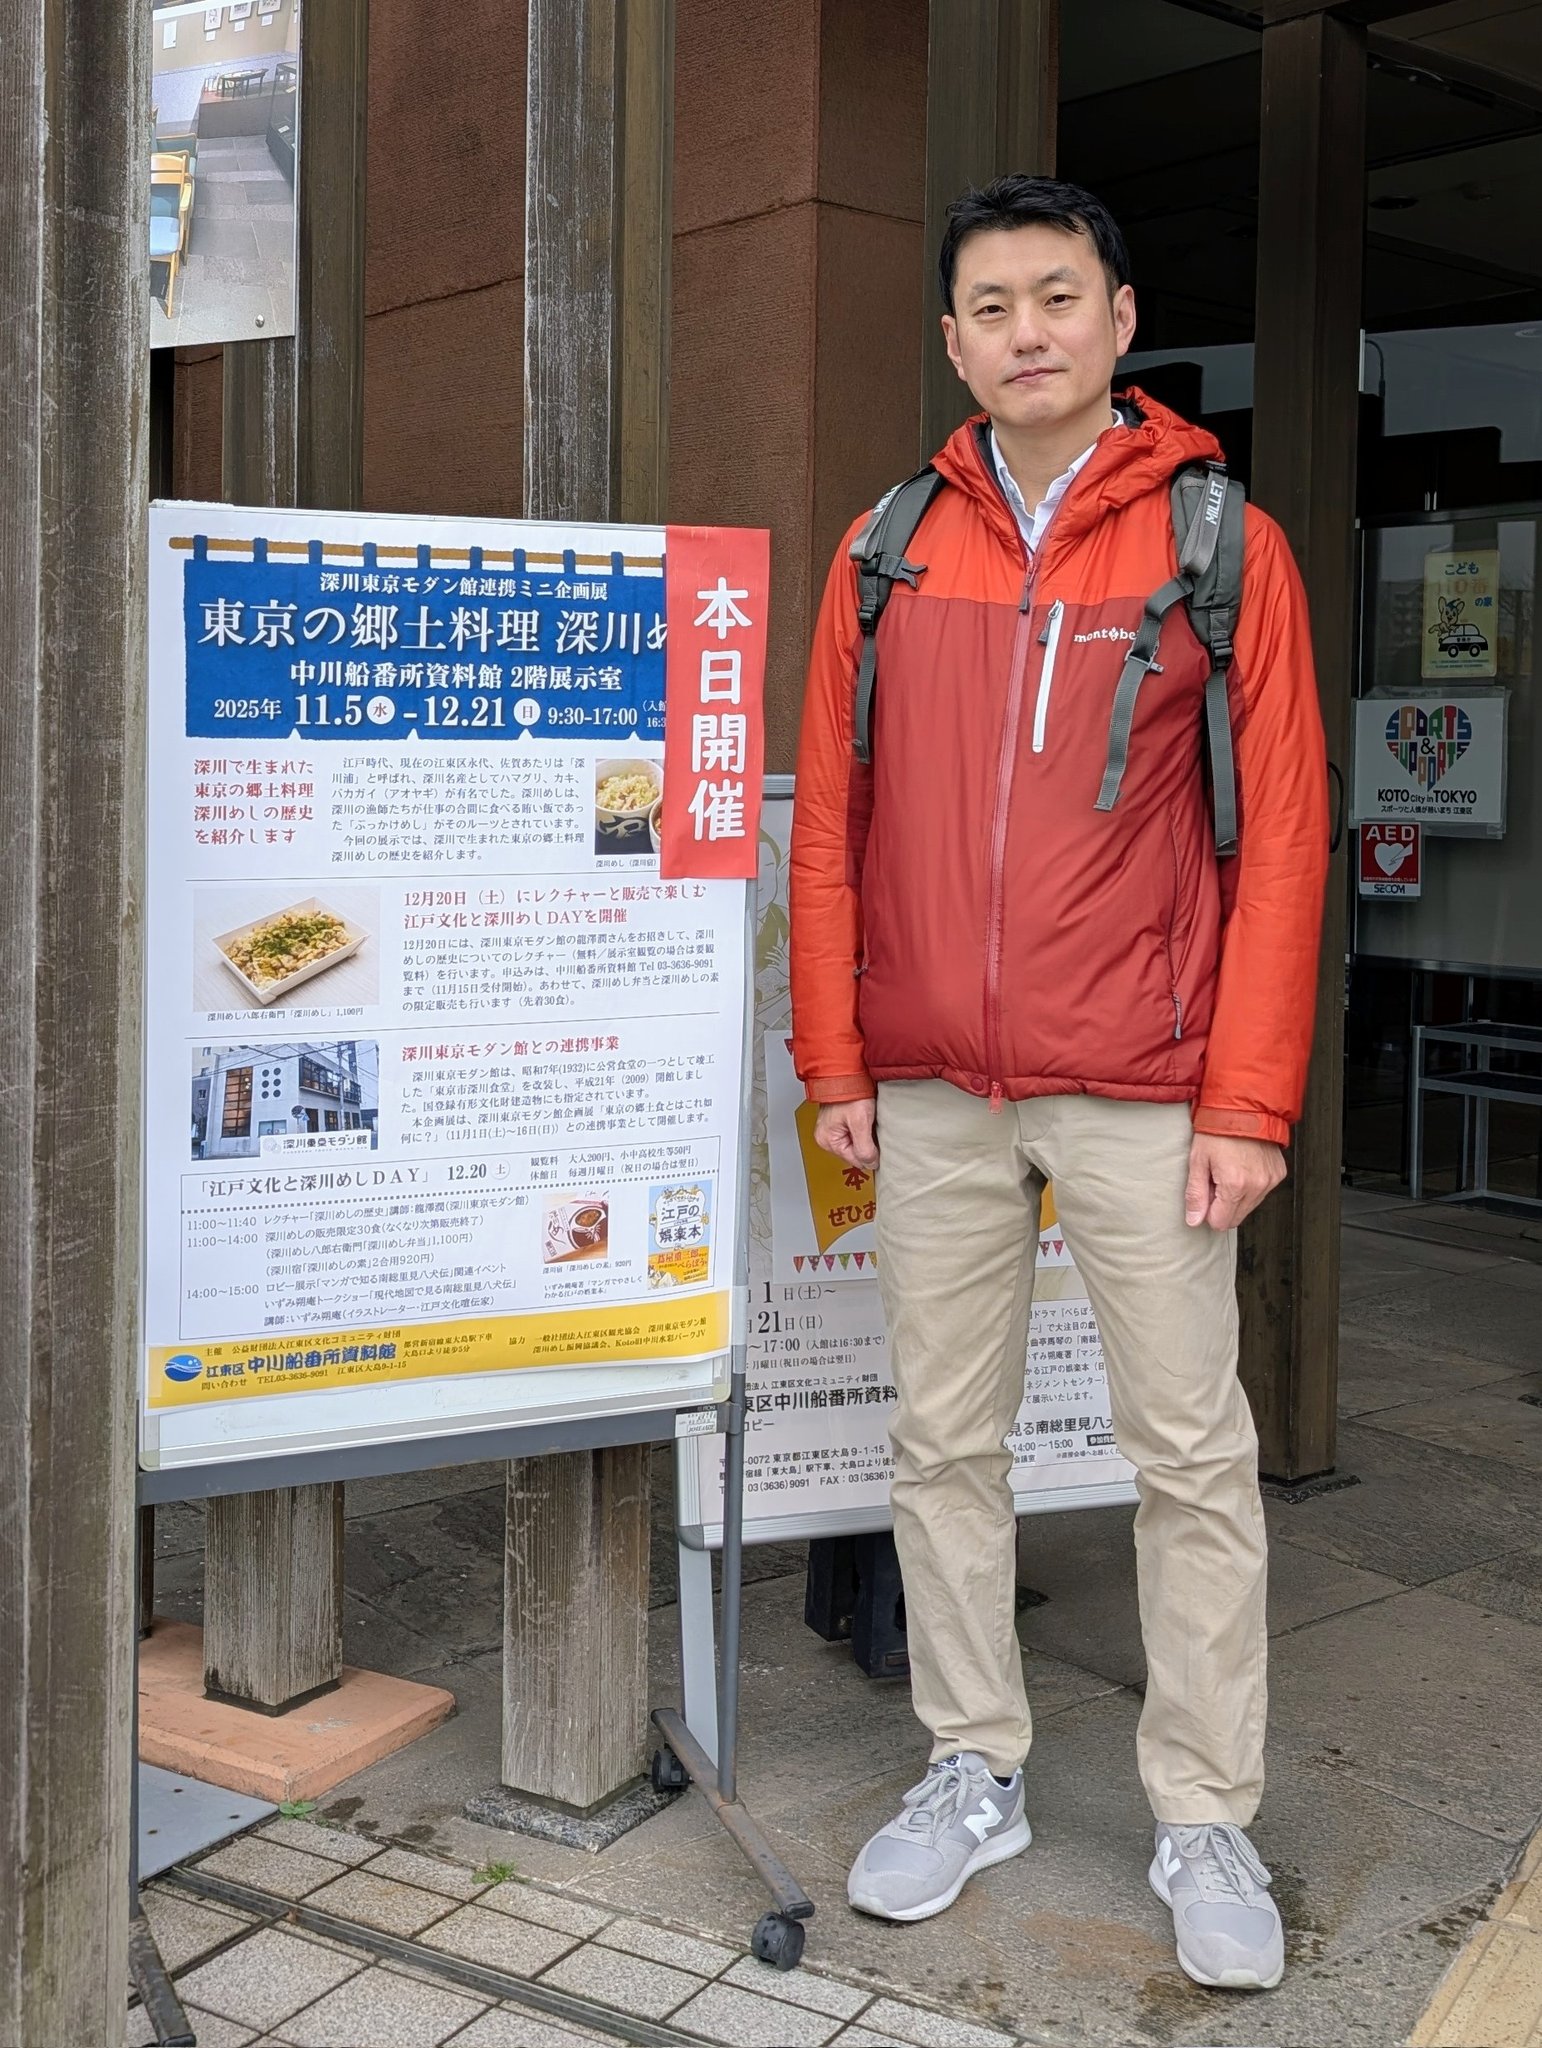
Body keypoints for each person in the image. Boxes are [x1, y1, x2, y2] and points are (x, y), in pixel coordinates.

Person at [789, 176, 1328, 1993]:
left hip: (1143, 1081)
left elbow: (1285, 836)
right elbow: (830, 826)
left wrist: (1247, 1101)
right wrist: (835, 1056)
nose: (1026, 331)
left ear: (1117, 320)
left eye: (1056, 296)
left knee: (1189, 1452)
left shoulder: (1216, 541)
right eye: (990, 306)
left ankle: (1203, 1810)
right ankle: (974, 1766)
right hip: (932, 1083)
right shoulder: (886, 548)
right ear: (951, 343)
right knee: (940, 1441)